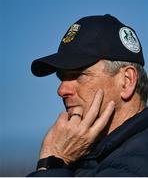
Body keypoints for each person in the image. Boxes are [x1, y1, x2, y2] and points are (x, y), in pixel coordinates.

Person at [28, 14, 148, 176]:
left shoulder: (137, 162)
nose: (61, 90)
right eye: (62, 77)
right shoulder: (94, 157)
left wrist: (52, 162)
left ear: (126, 81)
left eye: (79, 74)